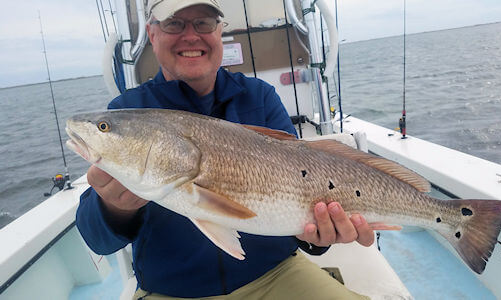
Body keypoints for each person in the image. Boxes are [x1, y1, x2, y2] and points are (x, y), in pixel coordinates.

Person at [76, 0, 376, 298]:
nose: (191, 35)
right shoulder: (128, 111)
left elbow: (304, 193)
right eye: (174, 23)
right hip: (172, 291)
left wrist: (317, 237)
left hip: (276, 273)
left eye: (203, 23)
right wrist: (113, 208)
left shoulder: (260, 96)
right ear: (153, 35)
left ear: (220, 32)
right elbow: (97, 240)